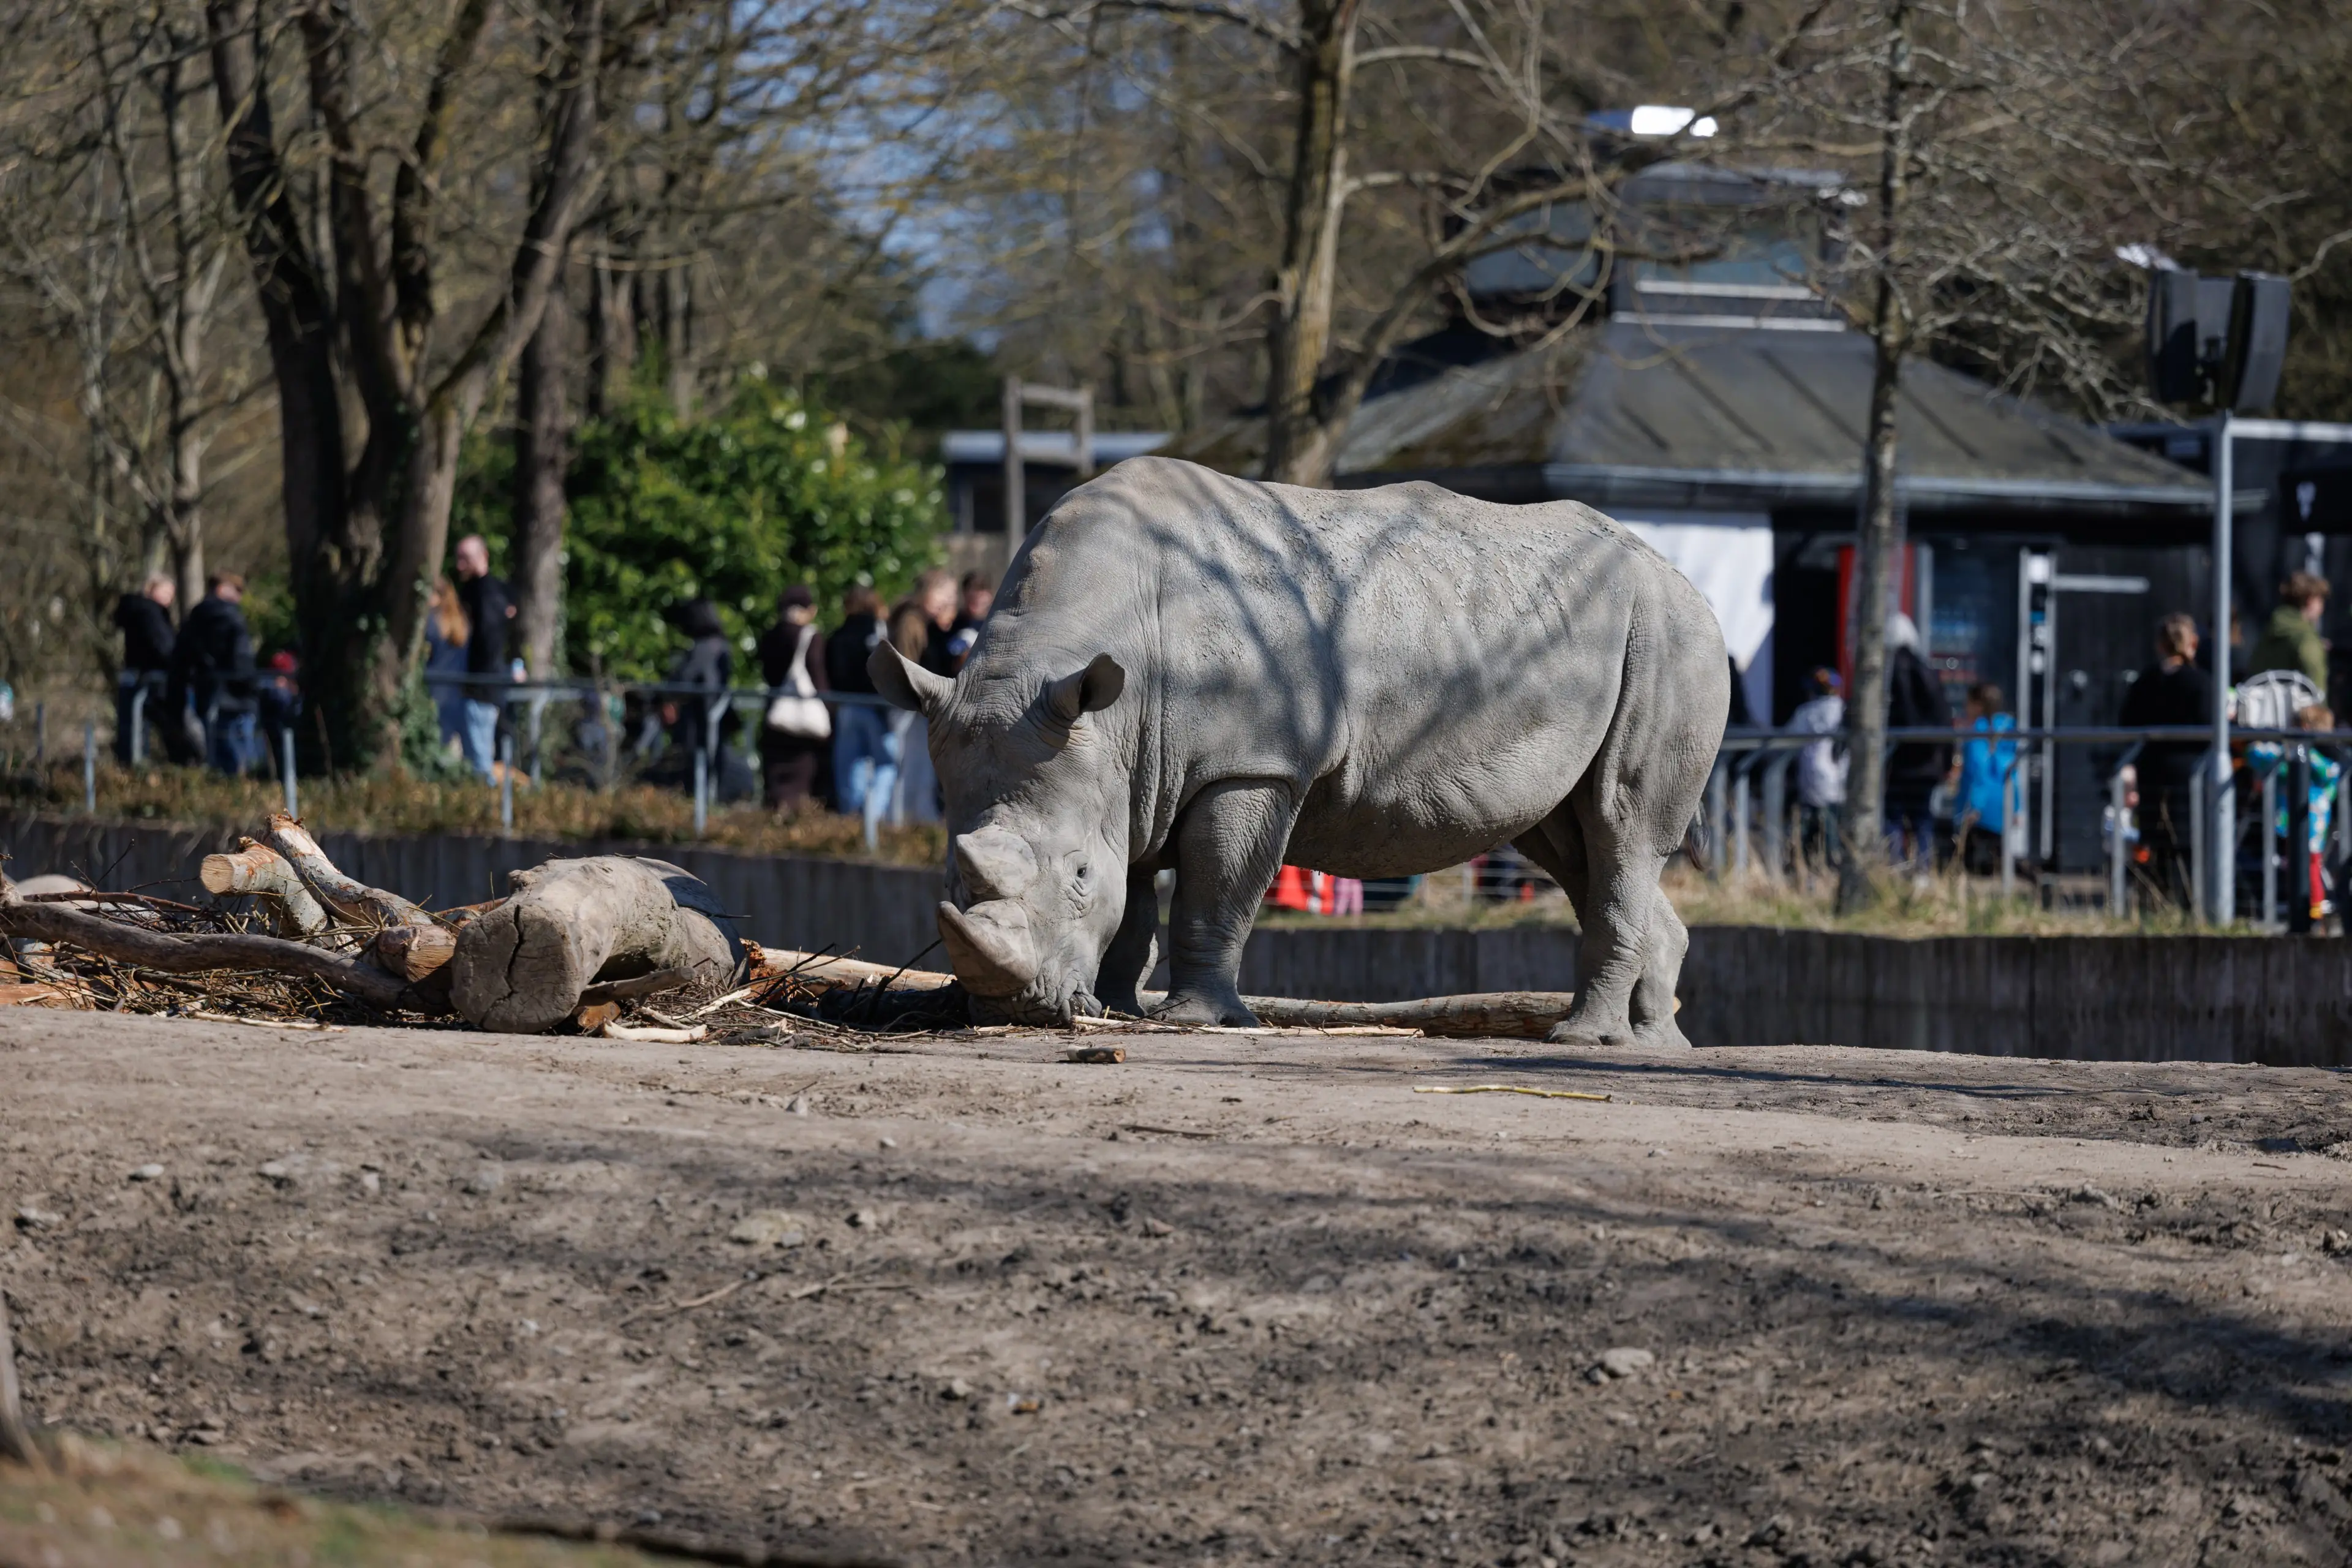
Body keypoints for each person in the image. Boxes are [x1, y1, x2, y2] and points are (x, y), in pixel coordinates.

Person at [2117, 612, 2214, 907]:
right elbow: (2209, 724)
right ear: (2193, 643)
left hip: (2151, 772)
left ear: (2160, 645)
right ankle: (2189, 908)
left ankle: (2156, 906)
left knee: (2155, 844)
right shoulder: (2200, 682)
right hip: (2190, 774)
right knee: (2189, 848)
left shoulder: (2145, 681)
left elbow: (2126, 723)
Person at [2248, 701, 2343, 929]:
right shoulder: (2293, 758)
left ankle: (2314, 911)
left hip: (2310, 822)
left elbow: (2330, 773)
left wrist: (2299, 750)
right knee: (2299, 864)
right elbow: (2255, 754)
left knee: (2310, 864)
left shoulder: (2319, 759)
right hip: (2295, 821)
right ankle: (2304, 908)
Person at [167, 571, 260, 777]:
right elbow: (242, 658)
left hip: (207, 691)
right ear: (222, 589)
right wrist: (250, 686)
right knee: (242, 753)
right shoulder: (232, 618)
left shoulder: (194, 619)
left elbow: (181, 657)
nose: (240, 598)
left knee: (215, 752)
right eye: (237, 591)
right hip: (237, 696)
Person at [1883, 612, 1952, 870]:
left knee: (1892, 816)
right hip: (1928, 762)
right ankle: (1923, 869)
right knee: (1923, 818)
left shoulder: (1889, 674)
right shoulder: (1928, 671)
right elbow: (1945, 717)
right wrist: (1946, 759)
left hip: (1899, 762)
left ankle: (1894, 866)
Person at [755, 586, 831, 810]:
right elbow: (818, 677)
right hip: (803, 723)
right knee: (800, 782)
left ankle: (773, 825)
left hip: (775, 715)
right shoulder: (810, 637)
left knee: (775, 781)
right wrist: (830, 710)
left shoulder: (770, 636)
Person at [826, 584, 895, 819]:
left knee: (850, 766)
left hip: (846, 705)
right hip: (876, 707)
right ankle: (873, 817)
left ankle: (852, 817)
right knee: (886, 764)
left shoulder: (839, 634)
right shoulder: (878, 633)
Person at [452, 535, 514, 779]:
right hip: (480, 687)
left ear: (483, 556)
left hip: (480, 689)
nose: (459, 566)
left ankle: (487, 812)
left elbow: (488, 641)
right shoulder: (484, 591)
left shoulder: (486, 594)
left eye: (465, 559)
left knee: (480, 764)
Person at [662, 598, 739, 793]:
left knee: (694, 772)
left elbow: (685, 680)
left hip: (697, 723)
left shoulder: (704, 649)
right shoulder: (720, 646)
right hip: (708, 721)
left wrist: (670, 697)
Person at [1950, 682, 2016, 874]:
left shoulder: (1977, 732)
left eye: (1968, 703)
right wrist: (2017, 807)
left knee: (1964, 859)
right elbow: (2013, 771)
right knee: (2001, 859)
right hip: (2003, 801)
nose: (1965, 708)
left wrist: (1975, 806)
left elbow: (1979, 770)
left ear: (1978, 705)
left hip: (1978, 806)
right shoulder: (2008, 729)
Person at [113, 573, 178, 763]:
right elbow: (162, 647)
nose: (170, 597)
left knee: (132, 726)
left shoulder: (137, 610)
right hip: (151, 676)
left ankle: (131, 764)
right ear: (152, 589)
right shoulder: (150, 613)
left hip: (136, 674)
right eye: (166, 591)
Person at [1789, 667, 1846, 875]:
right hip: (1838, 781)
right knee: (1834, 832)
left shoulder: (1806, 712)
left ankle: (1807, 868)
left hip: (1811, 780)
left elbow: (1785, 741)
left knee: (1808, 831)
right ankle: (1833, 868)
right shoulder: (1844, 710)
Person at [2248, 571, 2330, 699]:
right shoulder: (2306, 639)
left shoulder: (2271, 632)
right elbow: (2316, 686)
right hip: (2299, 716)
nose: (2322, 608)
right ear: (2310, 600)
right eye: (2320, 601)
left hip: (2262, 713)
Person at [422, 576, 470, 756]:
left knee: (435, 747)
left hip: (434, 690)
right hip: (457, 693)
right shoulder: (461, 622)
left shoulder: (429, 622)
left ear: (437, 596)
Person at [946, 571, 995, 671]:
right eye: (972, 597)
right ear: (964, 594)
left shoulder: (995, 627)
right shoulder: (950, 624)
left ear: (990, 596)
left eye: (981, 591)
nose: (977, 598)